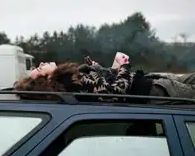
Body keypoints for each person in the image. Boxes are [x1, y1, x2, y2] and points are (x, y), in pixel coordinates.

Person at [15, 58, 195, 103]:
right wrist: (123, 67)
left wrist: (97, 68)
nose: (40, 63)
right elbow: (116, 91)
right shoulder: (71, 84)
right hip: (153, 89)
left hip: (150, 80)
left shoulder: (68, 79)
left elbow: (102, 84)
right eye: (38, 69)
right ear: (46, 77)